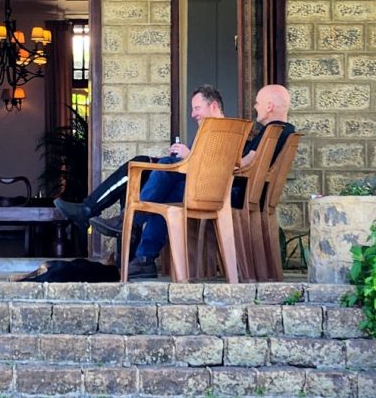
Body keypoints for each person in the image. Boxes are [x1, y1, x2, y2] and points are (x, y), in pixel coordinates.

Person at [125, 83, 294, 279]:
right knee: (166, 186)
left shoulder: (272, 132)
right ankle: (143, 255)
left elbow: (244, 163)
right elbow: (247, 162)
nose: (255, 107)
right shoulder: (281, 131)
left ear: (270, 106)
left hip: (228, 191)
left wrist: (194, 158)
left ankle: (133, 223)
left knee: (166, 169)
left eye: (258, 103)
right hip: (233, 188)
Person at [54, 84, 225, 234]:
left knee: (140, 168)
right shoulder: (207, 132)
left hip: (198, 192)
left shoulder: (227, 132)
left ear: (214, 105)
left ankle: (101, 214)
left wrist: (188, 156)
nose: (193, 114)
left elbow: (217, 169)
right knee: (136, 173)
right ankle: (130, 260)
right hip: (187, 184)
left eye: (197, 108)